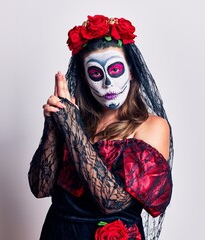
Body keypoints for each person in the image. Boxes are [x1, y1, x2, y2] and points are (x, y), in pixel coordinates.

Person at [29, 15, 173, 240]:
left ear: (131, 71)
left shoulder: (152, 126)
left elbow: (112, 202)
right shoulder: (75, 120)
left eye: (115, 70)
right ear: (85, 79)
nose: (108, 83)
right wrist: (54, 124)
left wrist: (72, 126)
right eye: (96, 73)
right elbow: (40, 188)